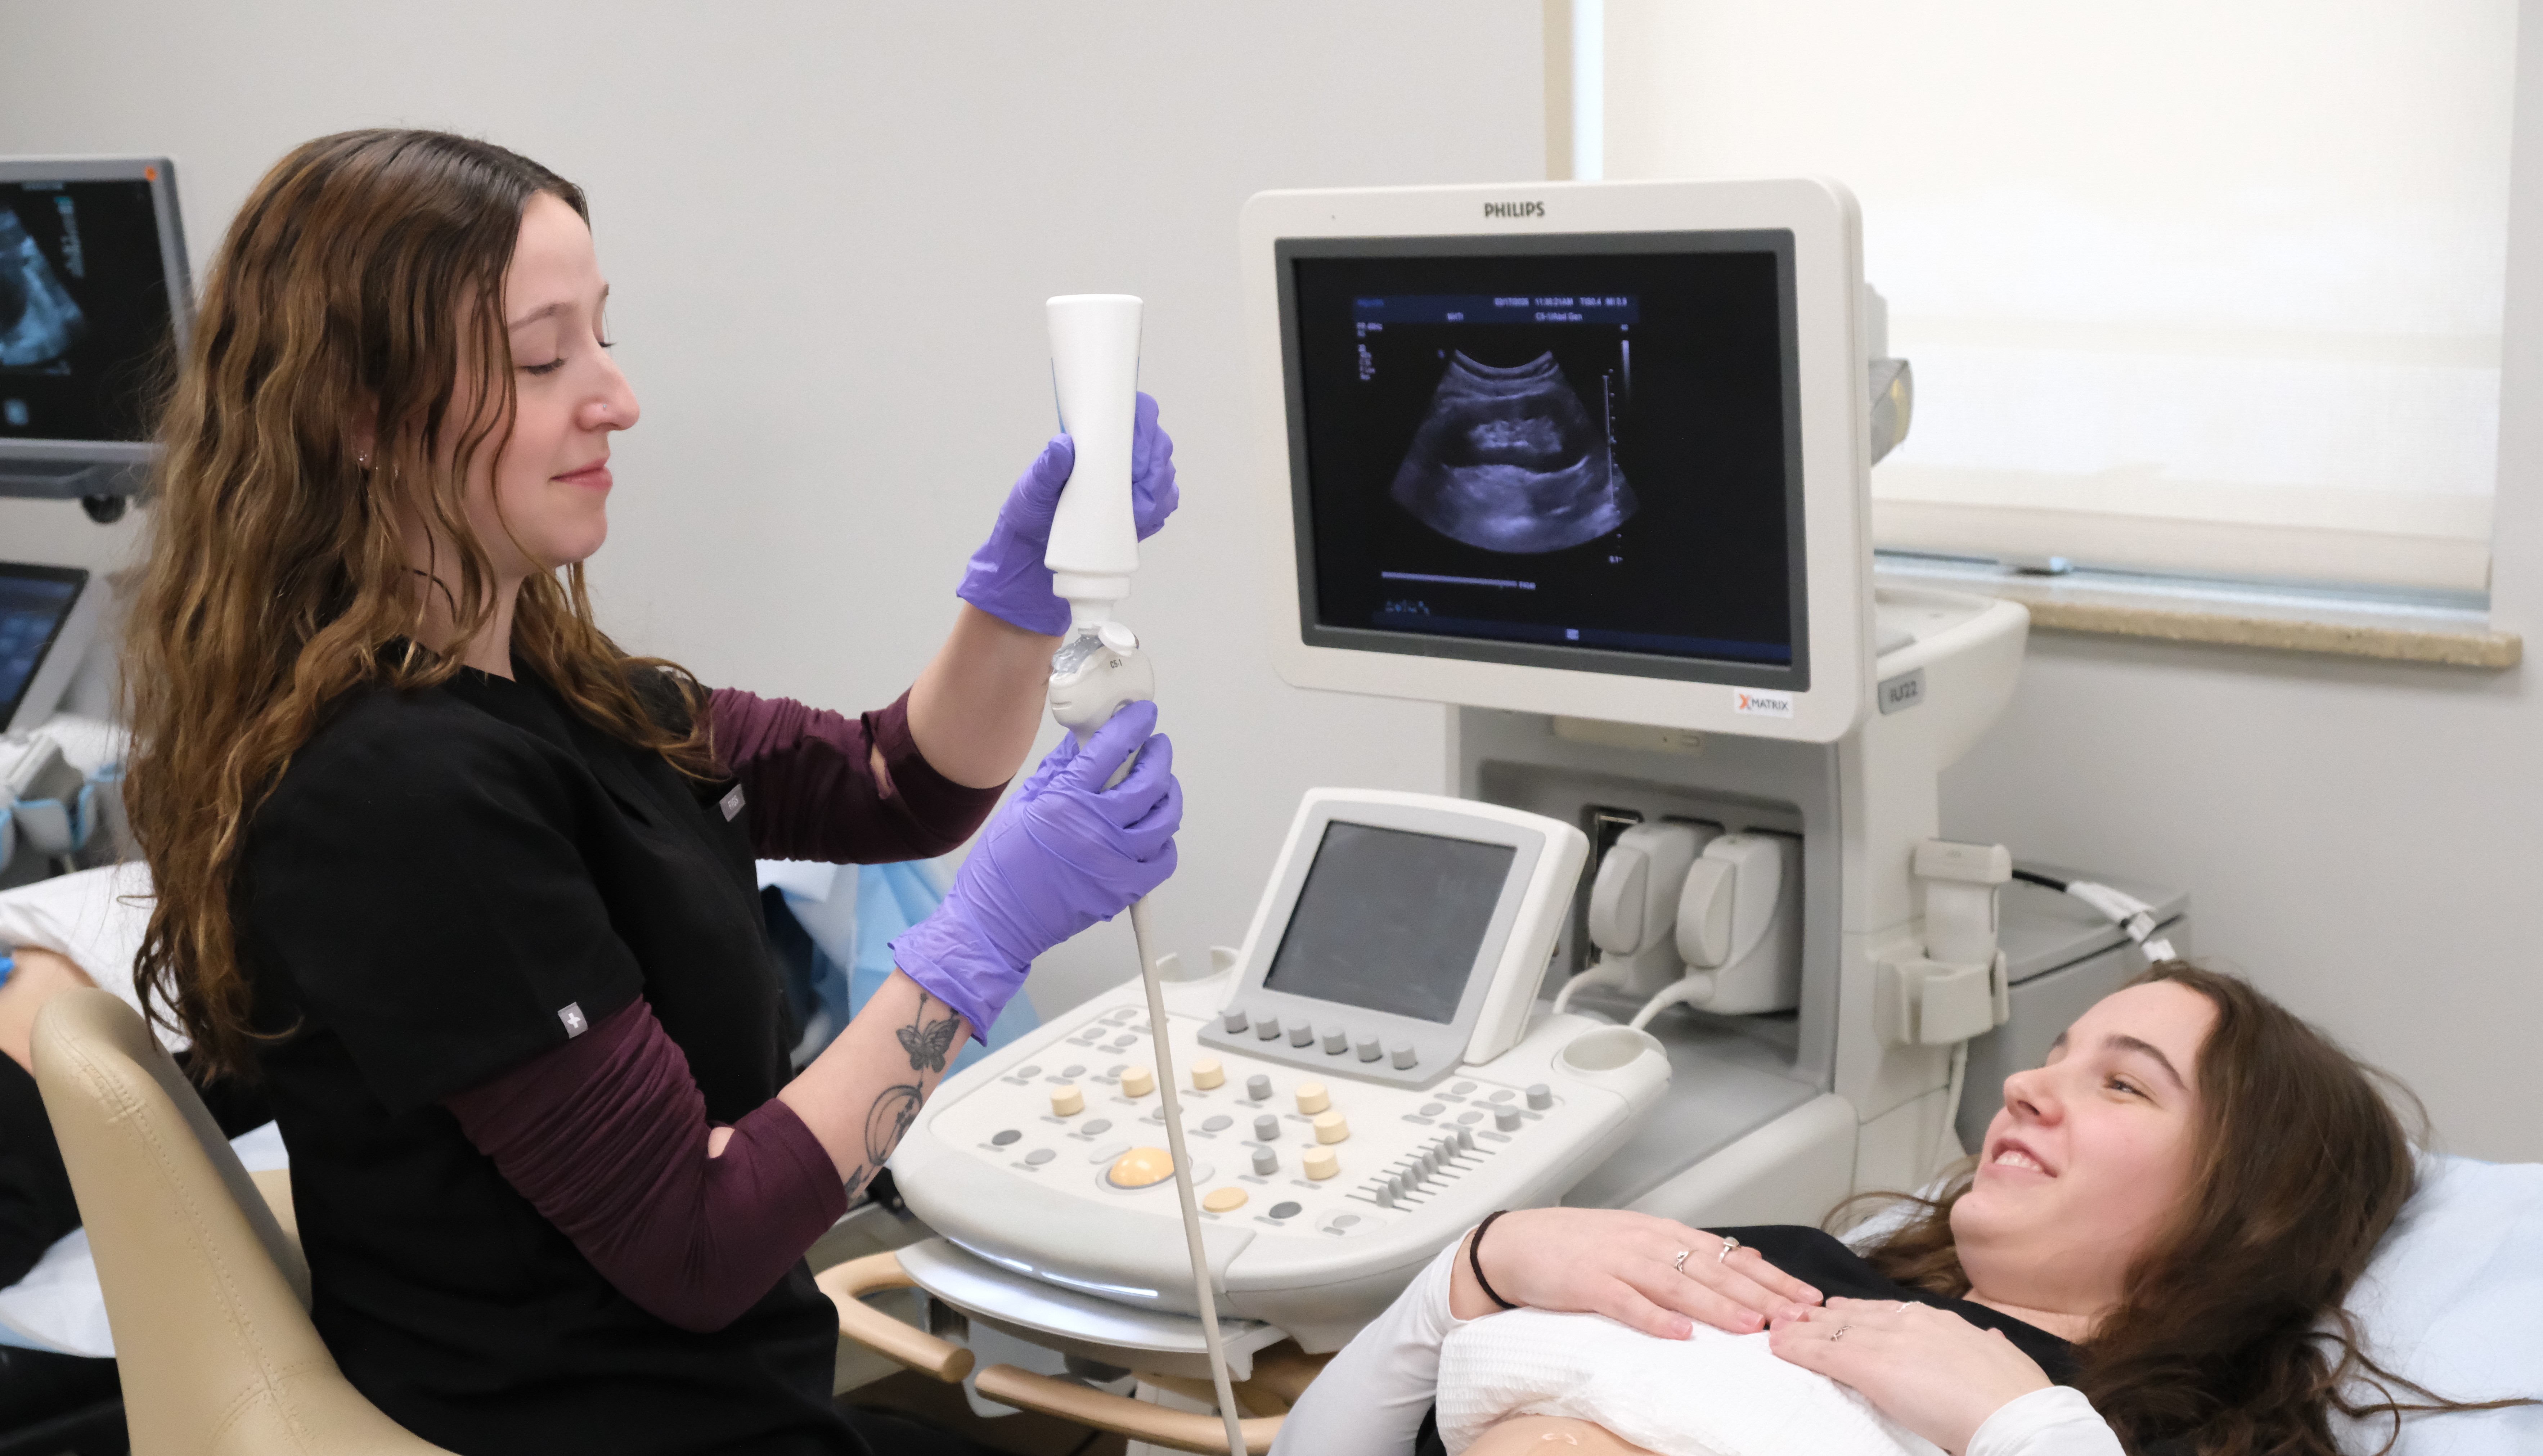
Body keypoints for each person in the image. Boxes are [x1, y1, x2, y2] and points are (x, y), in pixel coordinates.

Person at [115, 129, 1182, 1456]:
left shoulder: (548, 685)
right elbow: (696, 1239)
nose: (615, 397)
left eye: (603, 338)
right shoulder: (394, 796)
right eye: (540, 356)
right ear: (364, 418)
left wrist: (1016, 596)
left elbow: (890, 789)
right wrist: (979, 945)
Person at [1275, 965, 2530, 1456]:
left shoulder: (2146, 1436)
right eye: (2052, 1051)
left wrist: (2016, 1423)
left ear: (2246, 1207)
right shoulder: (1780, 1263)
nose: (2030, 1084)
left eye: (2121, 1083)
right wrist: (1473, 1272)